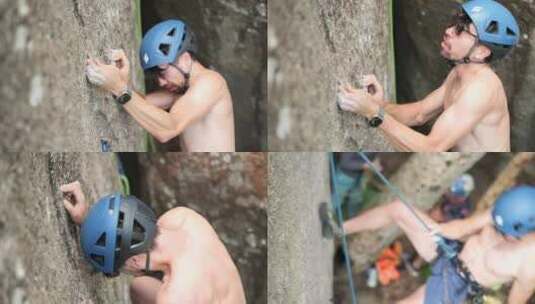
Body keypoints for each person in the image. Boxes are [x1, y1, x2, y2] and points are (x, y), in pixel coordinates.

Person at [337, 0, 519, 152]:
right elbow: (419, 114)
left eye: (461, 30)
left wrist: (373, 113)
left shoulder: (481, 91)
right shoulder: (459, 74)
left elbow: (432, 148)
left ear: (481, 52)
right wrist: (379, 105)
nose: (449, 31)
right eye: (454, 23)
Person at [342, 185, 535, 304]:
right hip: (451, 252)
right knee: (399, 210)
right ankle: (340, 228)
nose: (501, 234)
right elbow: (463, 228)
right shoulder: (506, 209)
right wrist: (438, 229)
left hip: (456, 286)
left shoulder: (530, 265)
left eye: (508, 234)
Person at [60, 181, 246, 304]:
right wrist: (88, 221)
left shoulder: (175, 296)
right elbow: (127, 232)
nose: (123, 273)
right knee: (140, 287)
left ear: (134, 261)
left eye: (119, 269)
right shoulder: (182, 218)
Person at [85, 19, 235, 152]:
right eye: (156, 74)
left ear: (185, 59)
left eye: (162, 72)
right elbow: (141, 106)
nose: (160, 82)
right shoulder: (183, 92)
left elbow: (168, 129)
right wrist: (122, 81)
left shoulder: (210, 82)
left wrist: (119, 87)